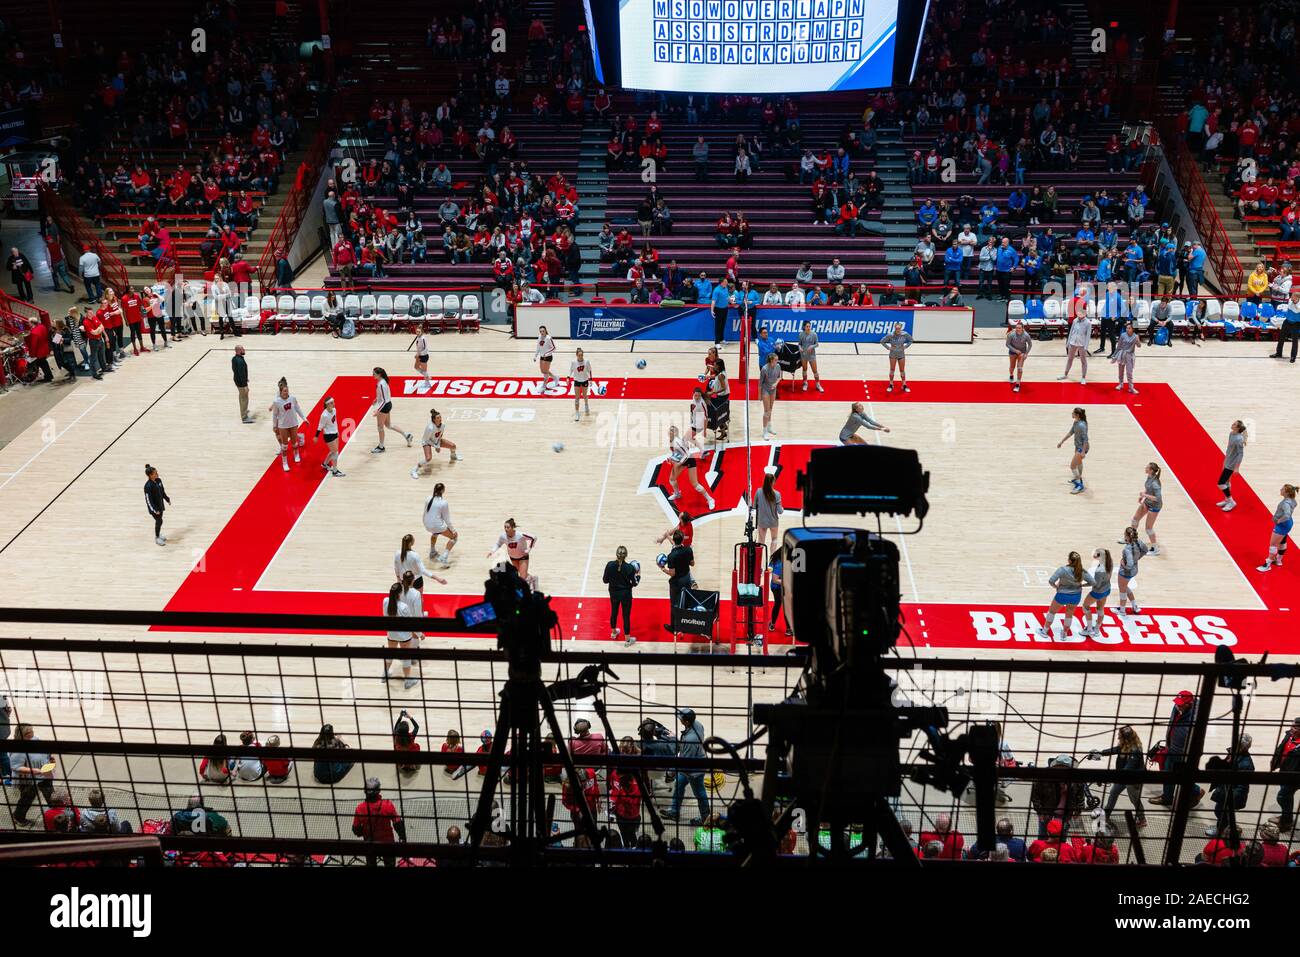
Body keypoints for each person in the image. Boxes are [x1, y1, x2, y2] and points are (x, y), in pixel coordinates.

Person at [1150, 690, 1203, 807]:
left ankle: (1196, 791)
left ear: (1188, 704)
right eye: (1177, 702)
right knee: (1168, 773)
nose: (1177, 705)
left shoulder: (1194, 718)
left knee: (1179, 775)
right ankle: (1167, 797)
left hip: (1183, 753)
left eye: (1180, 704)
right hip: (1172, 748)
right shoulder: (1177, 707)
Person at [1090, 726, 1147, 829]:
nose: (1117, 738)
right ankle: (1106, 815)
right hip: (1123, 777)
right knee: (1113, 793)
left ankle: (1142, 819)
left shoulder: (1135, 750)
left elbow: (1127, 770)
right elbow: (1116, 749)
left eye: (1119, 736)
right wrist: (1101, 753)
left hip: (1133, 779)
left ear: (1125, 738)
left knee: (1134, 799)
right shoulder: (1126, 744)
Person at [663, 708, 710, 824]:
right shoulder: (697, 725)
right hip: (693, 762)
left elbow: (683, 761)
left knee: (700, 794)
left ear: (687, 722)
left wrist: (670, 772)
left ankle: (706, 819)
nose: (679, 720)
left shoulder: (690, 740)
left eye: (681, 719)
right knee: (679, 784)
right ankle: (674, 812)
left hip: (693, 771)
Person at [1036, 551, 1094, 639]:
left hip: (1062, 595)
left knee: (1052, 612)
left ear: (1070, 560)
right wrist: (1082, 585)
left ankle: (1044, 631)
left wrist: (1056, 587)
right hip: (1075, 596)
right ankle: (1064, 634)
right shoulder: (1082, 571)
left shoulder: (1063, 569)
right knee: (1069, 615)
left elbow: (1051, 581)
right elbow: (1093, 582)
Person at [7, 723, 56, 827]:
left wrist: (49, 757)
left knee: (51, 794)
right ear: (23, 734)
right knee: (27, 797)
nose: (32, 733)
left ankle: (57, 814)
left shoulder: (35, 739)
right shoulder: (18, 749)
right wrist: (33, 770)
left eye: (32, 731)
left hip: (44, 773)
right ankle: (18, 817)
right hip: (29, 778)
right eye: (29, 732)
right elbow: (15, 767)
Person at [1206, 734, 1254, 837]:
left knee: (1221, 812)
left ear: (1242, 747)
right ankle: (1224, 828)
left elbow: (1242, 786)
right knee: (1220, 811)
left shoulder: (1246, 765)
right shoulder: (1234, 753)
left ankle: (1222, 832)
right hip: (1224, 788)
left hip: (1231, 794)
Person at [352, 778, 407, 866]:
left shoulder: (360, 808)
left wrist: (364, 832)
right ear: (379, 791)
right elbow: (398, 824)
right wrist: (403, 837)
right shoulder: (388, 805)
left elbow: (355, 830)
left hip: (370, 844)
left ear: (365, 791)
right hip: (387, 843)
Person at [665, 425, 714, 509]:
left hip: (689, 459)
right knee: (672, 479)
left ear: (675, 433)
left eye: (671, 431)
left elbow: (687, 454)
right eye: (669, 430)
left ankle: (710, 499)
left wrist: (679, 463)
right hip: (682, 460)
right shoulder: (672, 440)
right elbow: (677, 452)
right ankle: (677, 494)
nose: (669, 432)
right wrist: (671, 458)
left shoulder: (676, 442)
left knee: (695, 484)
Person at [370, 367, 412, 454]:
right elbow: (383, 396)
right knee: (388, 425)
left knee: (380, 427)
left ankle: (381, 447)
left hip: (384, 406)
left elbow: (384, 400)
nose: (372, 375)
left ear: (379, 374)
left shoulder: (381, 383)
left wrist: (378, 410)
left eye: (374, 373)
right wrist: (376, 399)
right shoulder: (383, 381)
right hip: (388, 404)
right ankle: (407, 435)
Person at [1269, 716, 1300, 833]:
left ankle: (1286, 822)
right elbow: (1281, 748)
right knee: (1287, 797)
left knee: (1282, 797)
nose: (1291, 728)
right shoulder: (1289, 735)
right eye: (1291, 725)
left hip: (1293, 776)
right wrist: (1274, 762)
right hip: (1284, 771)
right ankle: (1287, 818)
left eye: (1295, 727)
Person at [603, 545, 639, 644]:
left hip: (613, 593)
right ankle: (627, 640)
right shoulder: (630, 568)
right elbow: (635, 583)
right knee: (626, 616)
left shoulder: (609, 565)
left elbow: (605, 580)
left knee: (614, 612)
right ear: (626, 555)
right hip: (626, 595)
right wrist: (638, 575)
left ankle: (614, 633)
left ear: (616, 554)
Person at [412, 408, 462, 478]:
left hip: (435, 440)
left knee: (453, 446)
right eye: (438, 418)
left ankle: (453, 456)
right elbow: (426, 440)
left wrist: (437, 444)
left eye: (440, 417)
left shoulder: (443, 425)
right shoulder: (430, 428)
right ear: (434, 420)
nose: (440, 419)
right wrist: (436, 446)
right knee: (428, 458)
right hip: (427, 442)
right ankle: (414, 470)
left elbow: (440, 436)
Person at [270, 378, 307, 472]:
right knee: (284, 445)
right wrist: (274, 425)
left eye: (287, 391)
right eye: (284, 391)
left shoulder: (292, 398)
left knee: (294, 443)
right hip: (282, 425)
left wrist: (304, 418)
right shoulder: (276, 402)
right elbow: (275, 415)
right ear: (281, 392)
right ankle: (285, 463)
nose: (286, 392)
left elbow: (298, 409)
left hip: (293, 423)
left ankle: (296, 454)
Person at [1257, 484, 1297, 572]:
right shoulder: (1293, 500)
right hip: (1288, 523)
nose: (1280, 490)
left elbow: (1286, 515)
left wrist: (1279, 520)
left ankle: (1268, 564)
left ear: (1286, 492)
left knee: (1273, 545)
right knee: (1283, 542)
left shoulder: (1285, 503)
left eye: (1282, 489)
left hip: (1282, 525)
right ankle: (1278, 560)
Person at [661, 528, 695, 622]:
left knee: (674, 603)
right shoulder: (688, 550)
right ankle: (687, 621)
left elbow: (672, 573)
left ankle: (674, 626)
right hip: (687, 579)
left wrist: (663, 569)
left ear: (674, 540)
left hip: (677, 582)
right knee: (687, 599)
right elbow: (692, 563)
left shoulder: (671, 556)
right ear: (683, 539)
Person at [1131, 463, 1163, 555]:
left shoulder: (1155, 483)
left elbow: (1157, 498)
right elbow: (1148, 488)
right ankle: (1132, 540)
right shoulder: (1149, 477)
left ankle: (1155, 548)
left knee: (1148, 528)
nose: (1145, 468)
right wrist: (1143, 496)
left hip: (1155, 506)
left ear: (1151, 470)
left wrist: (1144, 495)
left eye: (1147, 467)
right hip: (1148, 502)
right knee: (1135, 520)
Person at [1216, 420, 1247, 512]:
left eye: (1234, 424)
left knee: (1220, 483)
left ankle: (1231, 501)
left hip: (1231, 464)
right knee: (1226, 482)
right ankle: (1226, 500)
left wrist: (1237, 467)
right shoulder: (1231, 433)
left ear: (1237, 428)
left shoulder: (1239, 439)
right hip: (1227, 460)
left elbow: (1240, 454)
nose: (1232, 424)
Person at [1056, 407, 1089, 494]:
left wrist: (1082, 451)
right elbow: (1070, 433)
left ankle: (1079, 485)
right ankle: (1079, 478)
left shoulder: (1082, 426)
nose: (1072, 414)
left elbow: (1086, 439)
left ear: (1077, 415)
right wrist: (1061, 442)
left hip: (1081, 448)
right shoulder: (1076, 422)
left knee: (1072, 466)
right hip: (1078, 446)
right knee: (1079, 463)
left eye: (1073, 413)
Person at [1059, 305, 1091, 384]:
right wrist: (1068, 342)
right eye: (1078, 313)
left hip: (1082, 344)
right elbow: (1071, 332)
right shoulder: (1075, 320)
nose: (1079, 315)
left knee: (1083, 361)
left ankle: (1083, 377)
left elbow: (1088, 336)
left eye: (1081, 313)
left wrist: (1086, 347)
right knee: (1070, 359)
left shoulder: (1088, 322)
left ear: (1085, 314)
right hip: (1072, 343)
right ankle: (1065, 374)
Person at [313, 396, 345, 477]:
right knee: (335, 452)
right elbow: (320, 426)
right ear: (327, 405)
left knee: (333, 451)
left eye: (333, 402)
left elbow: (335, 422)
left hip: (334, 433)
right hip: (328, 435)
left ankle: (325, 464)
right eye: (331, 403)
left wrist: (337, 431)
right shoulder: (324, 415)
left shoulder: (334, 410)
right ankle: (335, 471)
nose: (333, 404)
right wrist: (316, 436)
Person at [753, 472, 783, 554]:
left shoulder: (758, 492)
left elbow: (754, 506)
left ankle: (758, 563)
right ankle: (771, 561)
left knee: (761, 542)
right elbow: (780, 511)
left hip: (762, 521)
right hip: (773, 522)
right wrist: (782, 508)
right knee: (774, 539)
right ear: (772, 482)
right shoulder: (777, 494)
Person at [881, 323, 913, 393]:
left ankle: (904, 385)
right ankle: (891, 384)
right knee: (892, 369)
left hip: (901, 354)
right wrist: (888, 348)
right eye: (896, 328)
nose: (897, 330)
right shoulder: (890, 335)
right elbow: (882, 341)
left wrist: (905, 347)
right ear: (894, 328)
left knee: (902, 370)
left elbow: (911, 340)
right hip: (893, 354)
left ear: (901, 328)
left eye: (899, 328)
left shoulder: (905, 334)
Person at [143, 464, 171, 546]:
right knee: (159, 520)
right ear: (150, 475)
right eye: (155, 473)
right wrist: (154, 510)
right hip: (154, 508)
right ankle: (157, 537)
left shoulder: (159, 480)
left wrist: (167, 498)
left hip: (160, 505)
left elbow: (162, 491)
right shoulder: (148, 486)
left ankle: (158, 534)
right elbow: (148, 500)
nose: (157, 474)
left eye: (156, 472)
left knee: (160, 520)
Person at [758, 349, 781, 439]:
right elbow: (760, 383)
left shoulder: (778, 366)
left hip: (773, 390)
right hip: (765, 390)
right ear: (771, 360)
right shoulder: (764, 369)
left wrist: (775, 384)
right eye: (776, 360)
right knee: (766, 411)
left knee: (770, 409)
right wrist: (759, 395)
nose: (777, 361)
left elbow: (779, 377)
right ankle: (764, 431)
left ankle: (769, 427)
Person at [1006, 320, 1031, 392]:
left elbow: (1030, 345)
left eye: (1019, 328)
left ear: (1022, 328)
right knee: (1012, 367)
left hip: (1022, 353)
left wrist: (1026, 353)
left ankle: (1017, 384)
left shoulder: (1026, 335)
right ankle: (1011, 375)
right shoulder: (1011, 334)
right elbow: (1007, 344)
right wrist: (1015, 350)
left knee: (1020, 368)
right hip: (1013, 352)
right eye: (1016, 328)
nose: (1017, 329)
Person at [569, 348, 594, 421]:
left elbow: (590, 370)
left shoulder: (586, 362)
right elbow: (571, 370)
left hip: (585, 380)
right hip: (577, 380)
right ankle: (577, 413)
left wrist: (591, 379)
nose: (581, 356)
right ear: (576, 355)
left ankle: (586, 405)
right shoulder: (573, 362)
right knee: (577, 397)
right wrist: (568, 377)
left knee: (584, 395)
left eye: (582, 355)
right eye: (579, 355)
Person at [393, 710, 421, 775]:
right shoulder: (411, 736)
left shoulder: (396, 737)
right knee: (417, 746)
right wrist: (410, 717)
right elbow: (417, 727)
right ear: (407, 730)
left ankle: (403, 764)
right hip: (411, 757)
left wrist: (400, 717)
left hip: (401, 758)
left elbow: (395, 728)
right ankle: (412, 764)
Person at [798, 319, 822, 392]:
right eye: (807, 326)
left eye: (809, 326)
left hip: (812, 355)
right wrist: (800, 348)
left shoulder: (814, 334)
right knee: (804, 370)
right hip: (803, 355)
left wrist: (812, 346)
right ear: (804, 327)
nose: (808, 328)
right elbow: (799, 344)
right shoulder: (801, 334)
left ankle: (818, 384)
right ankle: (805, 383)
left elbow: (817, 344)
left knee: (815, 370)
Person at [232, 345, 251, 423]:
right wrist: (245, 385)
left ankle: (244, 410)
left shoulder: (234, 358)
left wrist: (245, 378)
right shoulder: (240, 361)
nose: (244, 350)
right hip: (241, 383)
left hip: (237, 381)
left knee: (241, 397)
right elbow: (241, 373)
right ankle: (244, 417)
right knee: (244, 399)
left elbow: (235, 370)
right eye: (243, 349)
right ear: (239, 351)